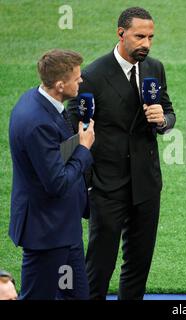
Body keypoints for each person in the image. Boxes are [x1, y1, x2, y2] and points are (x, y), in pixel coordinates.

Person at [68, 7, 175, 300]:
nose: (147, 44)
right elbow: (72, 126)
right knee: (99, 267)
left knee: (138, 265)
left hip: (146, 184)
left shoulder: (155, 68)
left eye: (151, 37)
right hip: (106, 187)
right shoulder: (92, 75)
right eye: (140, 36)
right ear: (121, 34)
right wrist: (87, 180)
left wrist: (162, 119)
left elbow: (169, 112)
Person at [8, 49, 95, 299]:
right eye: (76, 78)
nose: (81, 81)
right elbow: (57, 183)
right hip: (46, 234)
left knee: (75, 297)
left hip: (64, 228)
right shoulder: (37, 122)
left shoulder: (39, 101)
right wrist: (84, 147)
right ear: (60, 85)